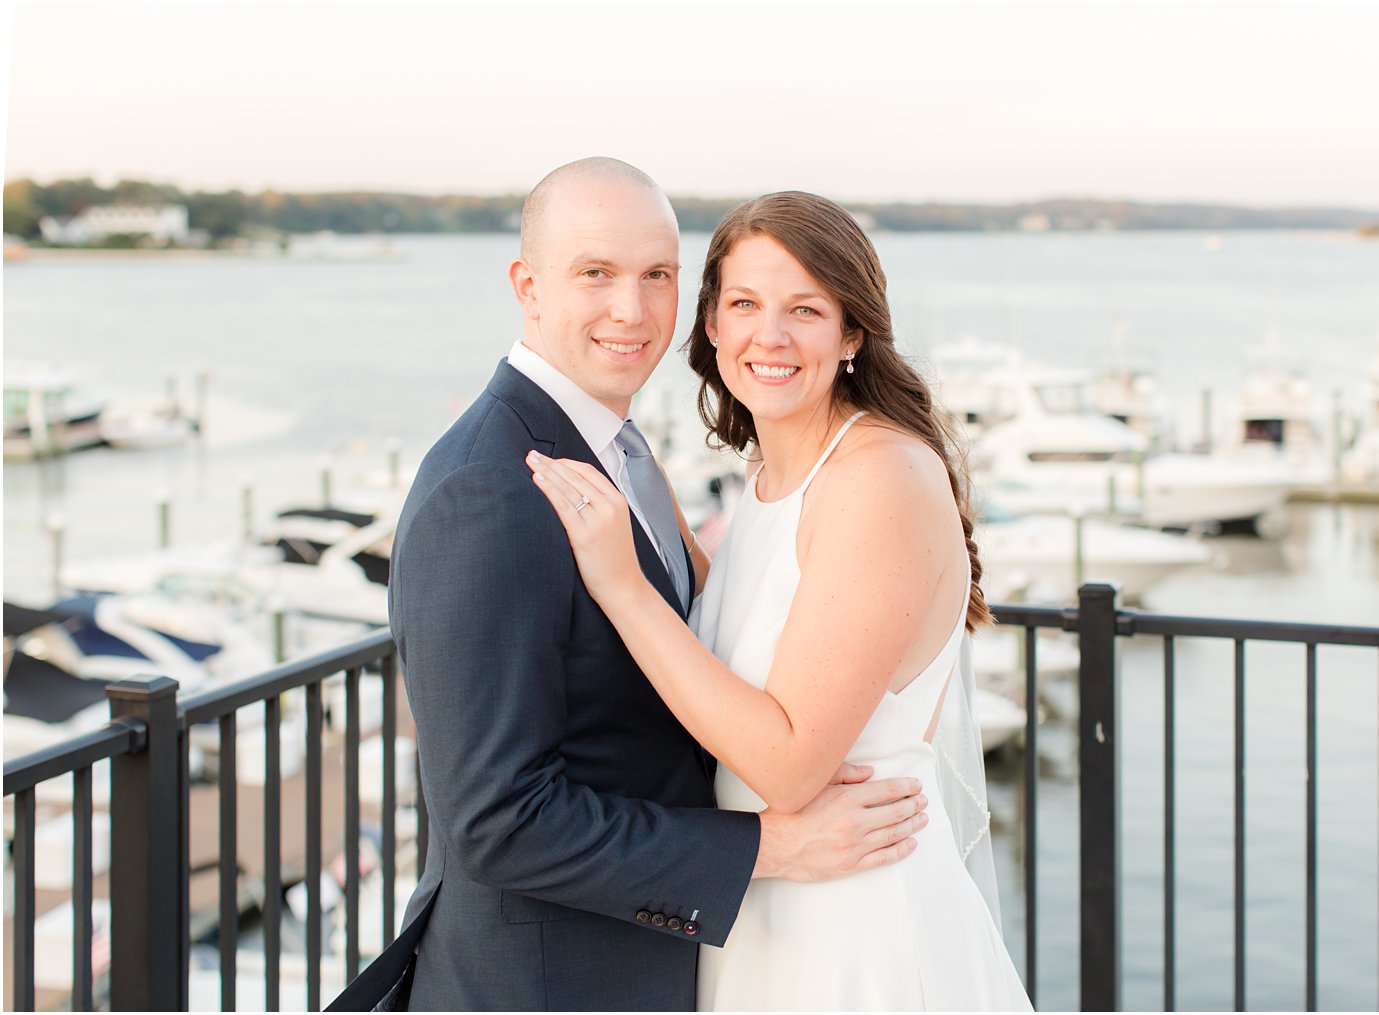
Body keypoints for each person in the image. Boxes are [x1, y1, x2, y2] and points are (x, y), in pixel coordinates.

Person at [329, 162, 930, 1012]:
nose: (632, 310)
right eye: (596, 274)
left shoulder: (616, 449)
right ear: (527, 287)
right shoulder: (491, 485)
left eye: (658, 276)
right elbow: (499, 821)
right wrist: (770, 847)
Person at [528, 190, 1034, 1010]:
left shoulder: (877, 475)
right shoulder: (769, 480)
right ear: (714, 326)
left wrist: (622, 586)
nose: (771, 334)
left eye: (806, 308)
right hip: (768, 907)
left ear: (853, 332)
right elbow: (733, 632)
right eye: (745, 304)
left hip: (854, 925)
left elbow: (791, 762)